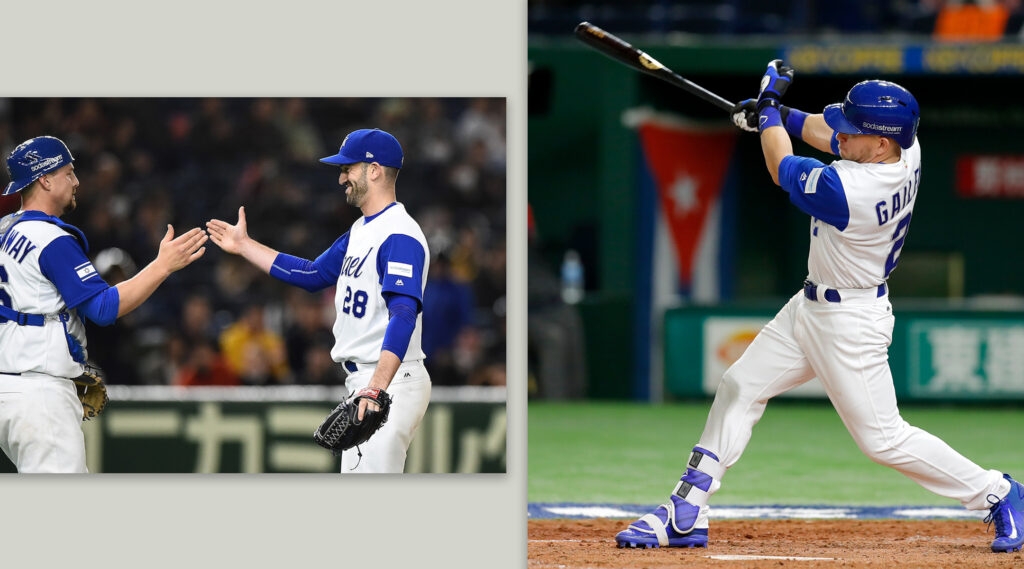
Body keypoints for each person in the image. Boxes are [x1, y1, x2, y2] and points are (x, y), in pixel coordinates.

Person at [614, 62, 1024, 554]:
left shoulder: (853, 190)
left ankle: (1000, 493)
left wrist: (767, 114)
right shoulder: (904, 149)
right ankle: (687, 508)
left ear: (879, 144)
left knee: (884, 441)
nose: (840, 135)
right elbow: (821, 132)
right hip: (810, 306)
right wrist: (775, 114)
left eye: (853, 132)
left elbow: (779, 168)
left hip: (850, 322)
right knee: (740, 385)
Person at [206, 128, 431, 474]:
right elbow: (312, 275)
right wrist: (245, 246)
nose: (341, 177)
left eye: (348, 168)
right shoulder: (362, 230)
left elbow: (403, 313)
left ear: (374, 170)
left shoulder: (399, 234)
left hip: (388, 381)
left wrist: (376, 390)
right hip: (370, 382)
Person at [0, 136, 208, 473]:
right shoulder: (48, 238)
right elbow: (103, 308)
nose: (76, 182)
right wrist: (162, 265)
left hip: (9, 388)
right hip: (39, 394)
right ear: (45, 179)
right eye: (68, 173)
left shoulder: (4, 231)